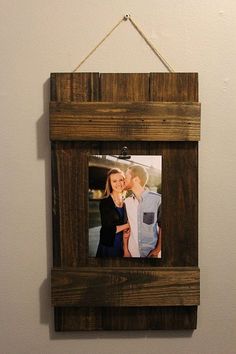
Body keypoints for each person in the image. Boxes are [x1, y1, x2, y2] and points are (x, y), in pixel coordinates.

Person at [123, 165, 162, 258]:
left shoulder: (158, 200)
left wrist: (158, 249)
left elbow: (163, 227)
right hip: (132, 252)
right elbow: (126, 229)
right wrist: (125, 250)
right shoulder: (126, 202)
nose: (124, 180)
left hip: (152, 253)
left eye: (126, 177)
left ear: (136, 180)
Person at [96, 168, 130, 257]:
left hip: (124, 243)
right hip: (110, 244)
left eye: (121, 180)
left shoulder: (127, 201)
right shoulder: (105, 202)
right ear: (110, 184)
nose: (118, 183)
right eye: (114, 181)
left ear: (124, 181)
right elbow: (108, 229)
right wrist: (129, 225)